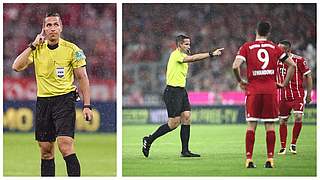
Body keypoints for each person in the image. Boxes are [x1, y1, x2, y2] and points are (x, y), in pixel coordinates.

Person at [12, 12, 93, 176]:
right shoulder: (37, 48)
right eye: (48, 25)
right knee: (46, 151)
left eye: (55, 24)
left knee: (65, 145)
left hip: (64, 100)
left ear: (61, 28)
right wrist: (32, 45)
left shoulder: (72, 49)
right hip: (43, 102)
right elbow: (16, 66)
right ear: (43, 29)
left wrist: (87, 105)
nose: (52, 28)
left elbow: (82, 77)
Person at [142, 34, 224, 158]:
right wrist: (211, 54)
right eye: (186, 44)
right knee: (174, 123)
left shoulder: (183, 55)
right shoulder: (176, 55)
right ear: (179, 45)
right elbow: (193, 58)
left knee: (186, 116)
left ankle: (185, 151)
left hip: (181, 91)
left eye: (189, 44)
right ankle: (149, 139)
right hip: (172, 92)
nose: (188, 46)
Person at [232, 21, 296, 168]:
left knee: (251, 126)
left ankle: (249, 160)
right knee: (270, 125)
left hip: (253, 91)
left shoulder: (247, 47)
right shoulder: (274, 47)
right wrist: (284, 83)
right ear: (269, 32)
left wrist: (240, 81)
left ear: (256, 31)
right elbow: (292, 65)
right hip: (270, 91)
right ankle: (270, 160)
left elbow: (235, 66)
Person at [277, 40, 313, 155]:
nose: (277, 51)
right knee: (283, 121)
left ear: (287, 50)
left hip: (297, 94)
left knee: (298, 117)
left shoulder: (299, 60)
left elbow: (308, 76)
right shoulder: (275, 60)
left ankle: (293, 144)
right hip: (283, 96)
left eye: (280, 49)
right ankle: (283, 146)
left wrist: (308, 94)